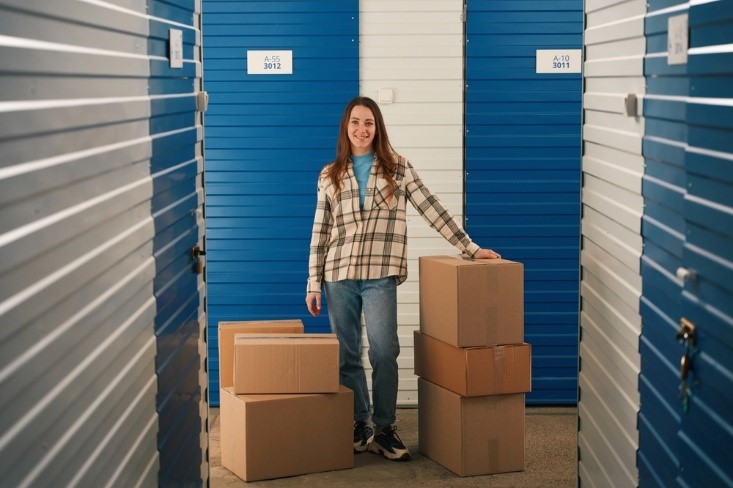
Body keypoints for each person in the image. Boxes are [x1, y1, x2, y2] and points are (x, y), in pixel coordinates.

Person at [305, 96, 500, 462]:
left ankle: (384, 428)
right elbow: (320, 232)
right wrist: (313, 283)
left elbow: (432, 208)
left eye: (369, 123)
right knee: (347, 355)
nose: (362, 130)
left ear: (378, 129)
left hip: (381, 273)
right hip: (338, 274)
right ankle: (358, 421)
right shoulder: (329, 174)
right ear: (345, 128)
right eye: (355, 123)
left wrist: (470, 248)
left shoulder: (398, 168)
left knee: (384, 351)